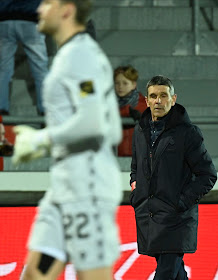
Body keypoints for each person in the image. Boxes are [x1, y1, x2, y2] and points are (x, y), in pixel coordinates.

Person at [12, 0, 122, 279]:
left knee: (93, 276)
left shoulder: (80, 56)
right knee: (36, 274)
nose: (38, 8)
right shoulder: (70, 55)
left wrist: (42, 140)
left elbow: (94, 121)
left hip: (88, 189)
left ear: (67, 10)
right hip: (65, 189)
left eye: (47, 3)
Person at [129, 75, 217, 280]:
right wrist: (136, 188)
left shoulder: (188, 133)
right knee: (176, 275)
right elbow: (135, 167)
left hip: (176, 219)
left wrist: (180, 202)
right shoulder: (139, 130)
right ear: (147, 100)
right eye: (153, 96)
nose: (158, 101)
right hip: (150, 216)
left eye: (163, 95)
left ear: (173, 98)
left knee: (165, 275)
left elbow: (208, 175)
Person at [0, 0, 48, 116]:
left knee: (3, 69)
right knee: (40, 70)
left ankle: (2, 109)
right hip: (30, 17)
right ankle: (46, 110)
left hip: (5, 18)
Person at [114, 65, 146, 156]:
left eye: (125, 83)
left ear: (133, 85)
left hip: (139, 159)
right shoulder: (109, 105)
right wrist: (128, 112)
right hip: (116, 157)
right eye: (117, 83)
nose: (120, 87)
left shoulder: (145, 105)